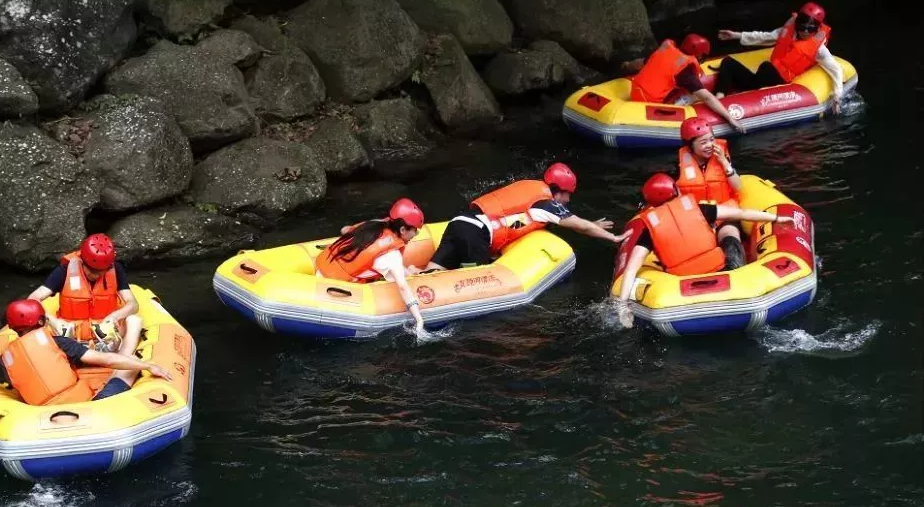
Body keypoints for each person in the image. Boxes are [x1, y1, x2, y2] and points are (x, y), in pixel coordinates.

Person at [615, 173, 794, 327]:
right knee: (730, 232)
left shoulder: (649, 231)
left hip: (681, 290)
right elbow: (741, 214)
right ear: (675, 192)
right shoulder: (700, 209)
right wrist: (775, 218)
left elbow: (631, 269)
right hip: (725, 275)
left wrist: (623, 306)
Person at [0, 299, 172, 404]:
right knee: (128, 363)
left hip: (42, 419)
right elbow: (109, 360)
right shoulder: (59, 343)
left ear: (13, 327)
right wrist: (148, 365)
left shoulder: (5, 361)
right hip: (94, 407)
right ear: (42, 321)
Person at [424, 163, 629, 272]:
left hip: (459, 222)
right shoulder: (546, 202)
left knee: (432, 270)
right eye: (568, 194)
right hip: (476, 234)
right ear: (559, 191)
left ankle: (411, 274)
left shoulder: (528, 186)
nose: (567, 200)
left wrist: (591, 224)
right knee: (470, 278)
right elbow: (577, 224)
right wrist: (613, 238)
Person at [315, 198, 428, 333]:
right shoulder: (392, 255)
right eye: (415, 230)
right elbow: (403, 287)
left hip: (320, 269)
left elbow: (344, 230)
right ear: (403, 229)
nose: (415, 234)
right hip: (331, 289)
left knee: (402, 271)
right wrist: (419, 318)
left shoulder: (374, 225)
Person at [714, 1, 843, 113]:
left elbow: (836, 69)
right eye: (802, 27)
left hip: (777, 81)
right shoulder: (788, 30)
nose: (805, 32)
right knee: (728, 62)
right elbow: (766, 37)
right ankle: (719, 99)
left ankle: (722, 102)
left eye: (810, 30)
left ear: (817, 29)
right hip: (763, 76)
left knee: (764, 69)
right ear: (797, 23)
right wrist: (736, 35)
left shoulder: (819, 49)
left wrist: (837, 96)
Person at [28, 233, 138, 346]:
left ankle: (123, 357)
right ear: (82, 261)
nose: (95, 276)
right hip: (72, 338)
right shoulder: (64, 270)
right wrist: (54, 322)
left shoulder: (116, 269)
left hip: (107, 337)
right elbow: (33, 299)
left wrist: (114, 317)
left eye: (100, 272)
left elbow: (133, 304)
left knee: (135, 321)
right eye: (91, 271)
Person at [629, 34, 746, 132]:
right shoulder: (685, 71)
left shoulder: (666, 48)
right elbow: (707, 97)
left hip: (635, 93)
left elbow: (641, 63)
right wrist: (730, 119)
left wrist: (626, 65)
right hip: (651, 106)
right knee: (695, 95)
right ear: (699, 55)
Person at [676, 117, 747, 269]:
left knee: (730, 238)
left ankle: (736, 271)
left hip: (724, 214)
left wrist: (724, 163)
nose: (709, 145)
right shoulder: (678, 165)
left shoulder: (722, 156)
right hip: (696, 218)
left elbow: (738, 186)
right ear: (690, 145)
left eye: (711, 140)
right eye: (703, 142)